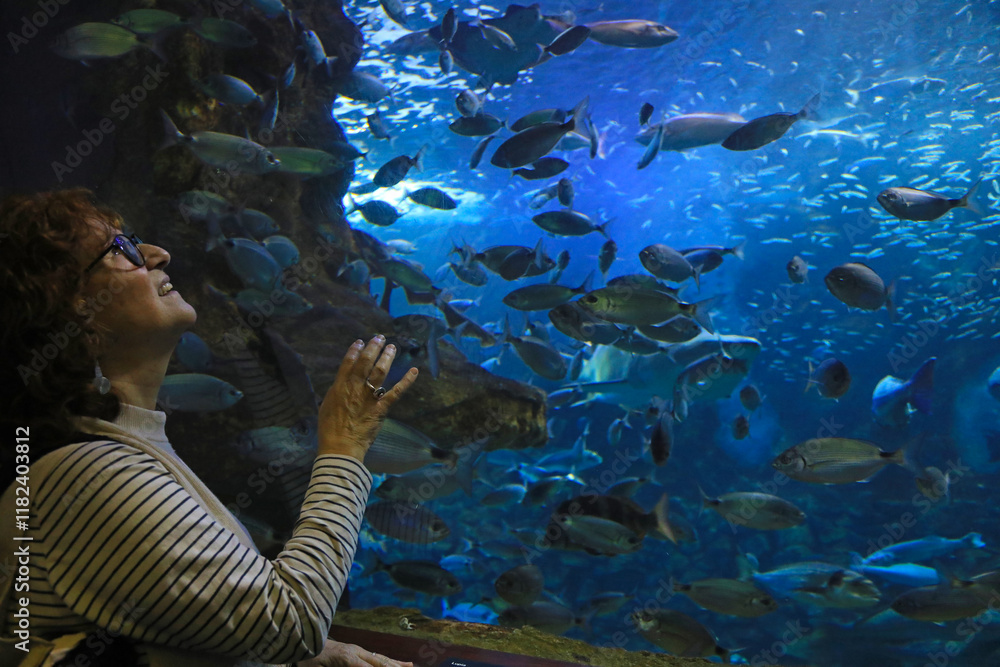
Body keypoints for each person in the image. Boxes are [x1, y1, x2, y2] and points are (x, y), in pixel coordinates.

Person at [0, 189, 417, 667]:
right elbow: (292, 620)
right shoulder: (87, 474)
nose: (158, 254)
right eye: (122, 250)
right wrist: (344, 449)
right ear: (71, 308)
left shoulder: (114, 450)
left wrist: (304, 659)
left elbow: (164, 633)